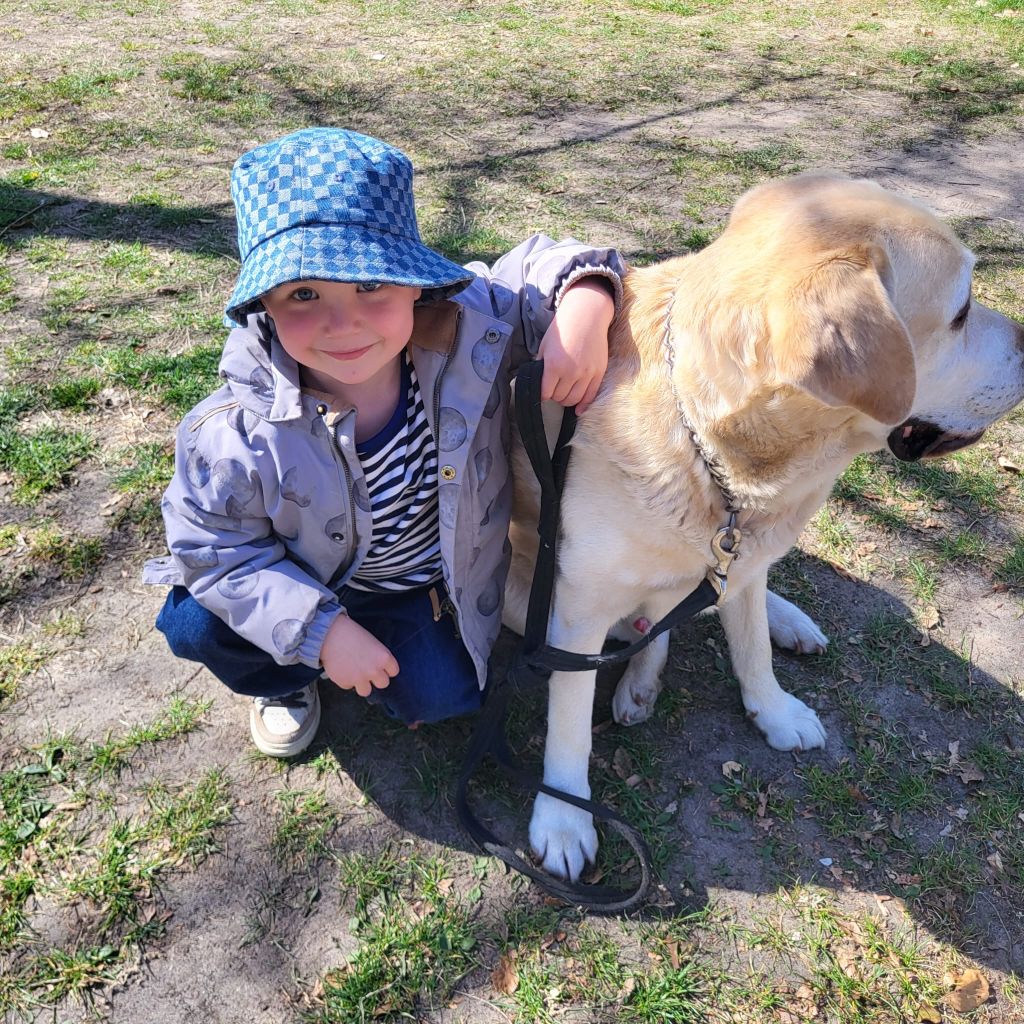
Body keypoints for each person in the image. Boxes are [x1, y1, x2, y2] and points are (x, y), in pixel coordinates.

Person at [144, 128, 624, 757]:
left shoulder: (469, 331)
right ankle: (287, 676)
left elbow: (547, 262)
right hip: (295, 579)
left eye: (370, 284)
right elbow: (217, 552)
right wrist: (321, 633)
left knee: (447, 697)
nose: (343, 324)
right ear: (265, 304)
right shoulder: (231, 432)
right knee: (198, 625)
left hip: (412, 589)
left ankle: (372, 653)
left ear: (414, 284)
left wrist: (586, 303)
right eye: (304, 293)